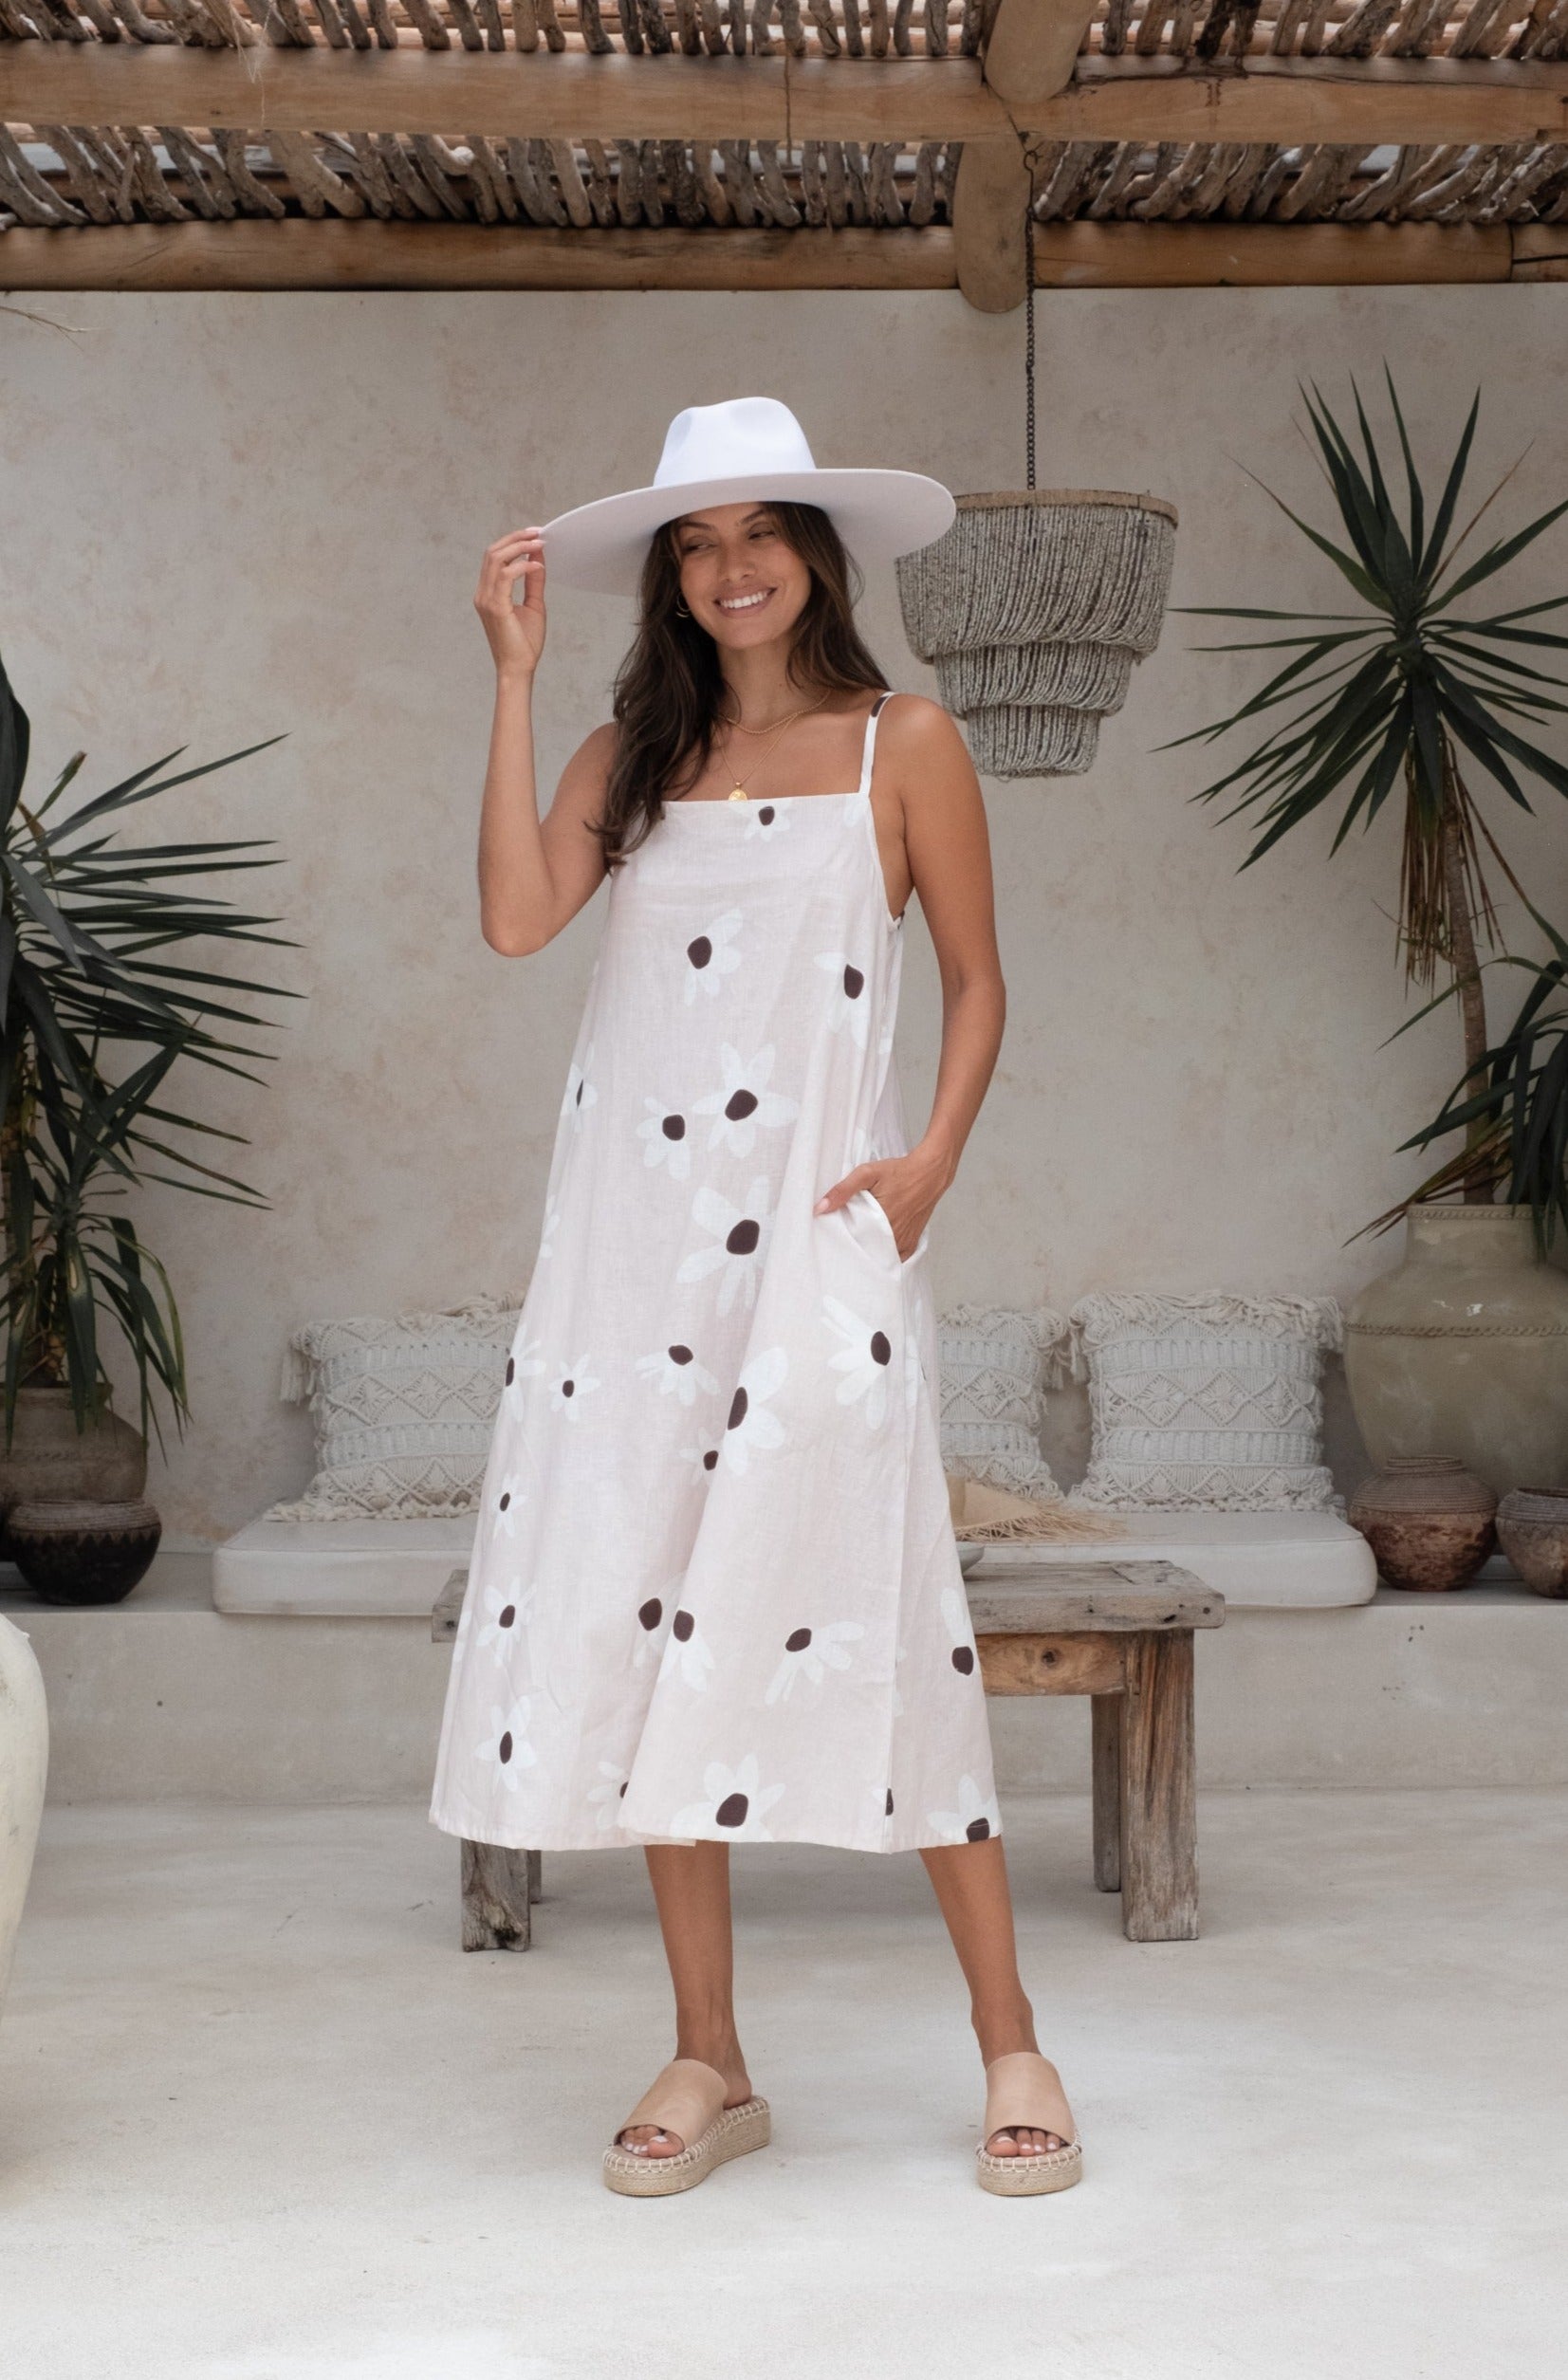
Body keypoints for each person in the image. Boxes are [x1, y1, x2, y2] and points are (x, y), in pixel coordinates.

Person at [429, 398, 1079, 2199]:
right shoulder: (623, 756)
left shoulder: (905, 744)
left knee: (891, 1613)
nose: (730, 568)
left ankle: (1010, 2037)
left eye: (758, 534)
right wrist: (510, 678)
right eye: (696, 544)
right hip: (629, 1259)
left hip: (819, 1245)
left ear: (814, 550)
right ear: (671, 574)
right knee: (654, 1628)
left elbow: (975, 980)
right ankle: (710, 2051)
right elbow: (508, 919)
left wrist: (930, 1160)